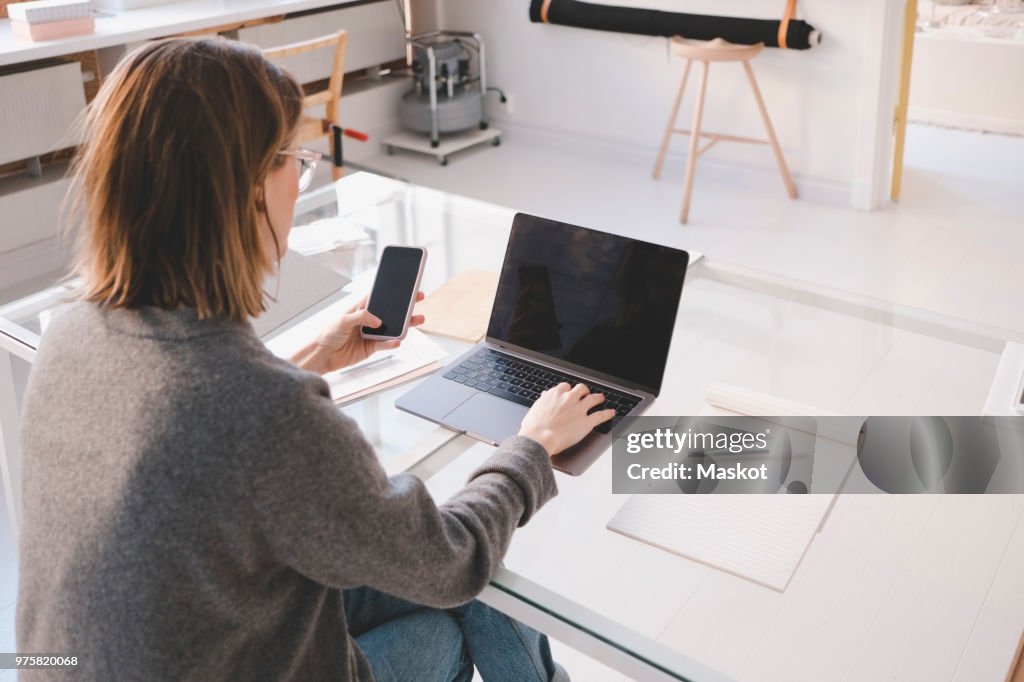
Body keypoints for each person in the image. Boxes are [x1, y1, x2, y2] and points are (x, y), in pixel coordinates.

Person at [15, 38, 615, 681]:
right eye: (296, 162)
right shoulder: (266, 415)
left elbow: (191, 430)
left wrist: (307, 357)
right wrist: (530, 447)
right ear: (244, 190)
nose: (301, 184)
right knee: (468, 596)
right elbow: (452, 562)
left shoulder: (69, 332)